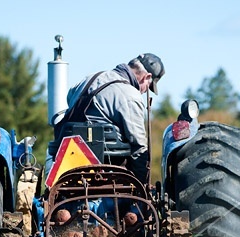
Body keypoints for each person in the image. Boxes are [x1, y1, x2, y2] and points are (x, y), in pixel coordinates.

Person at [57, 53, 165, 184]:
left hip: (70, 163)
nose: (144, 91)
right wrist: (141, 186)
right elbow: (139, 147)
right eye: (149, 86)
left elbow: (70, 99)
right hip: (110, 172)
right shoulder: (131, 96)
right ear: (146, 77)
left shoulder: (88, 79)